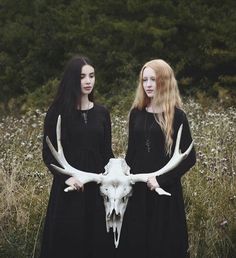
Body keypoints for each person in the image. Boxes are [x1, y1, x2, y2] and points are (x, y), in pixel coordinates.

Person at [116, 59, 196, 258]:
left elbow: (189, 158)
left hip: (165, 193)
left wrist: (161, 180)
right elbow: (132, 154)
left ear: (165, 82)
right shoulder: (136, 114)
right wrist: (123, 176)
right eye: (145, 80)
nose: (149, 84)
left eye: (154, 79)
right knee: (136, 244)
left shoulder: (178, 116)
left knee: (164, 245)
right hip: (138, 192)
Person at [40, 56, 115, 258]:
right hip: (69, 190)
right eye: (82, 77)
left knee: (97, 242)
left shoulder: (102, 113)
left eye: (91, 76)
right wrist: (68, 178)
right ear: (73, 79)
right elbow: (48, 154)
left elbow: (107, 153)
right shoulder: (57, 112)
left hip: (97, 190)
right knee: (68, 243)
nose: (88, 81)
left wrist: (117, 176)